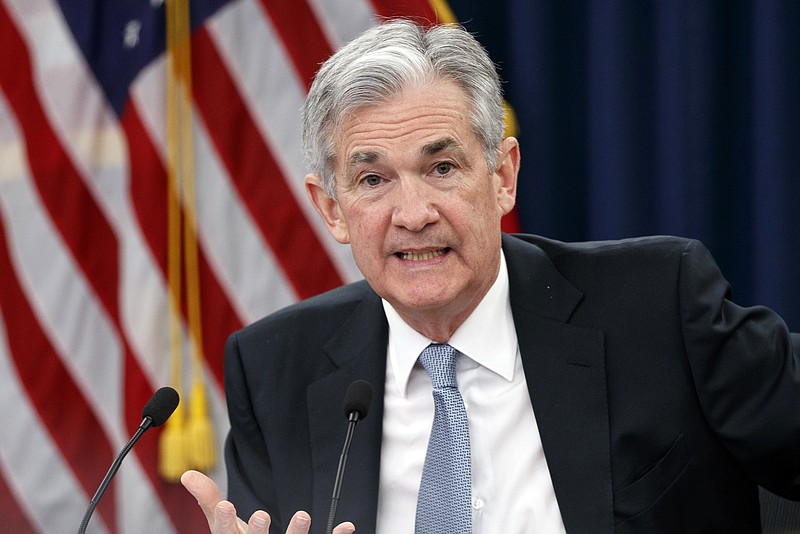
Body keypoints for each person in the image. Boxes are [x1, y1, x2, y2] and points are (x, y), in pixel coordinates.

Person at [181, 19, 800, 534]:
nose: (414, 214)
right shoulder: (274, 370)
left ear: (502, 176)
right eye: (373, 181)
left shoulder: (658, 305)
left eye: (442, 167)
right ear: (332, 209)